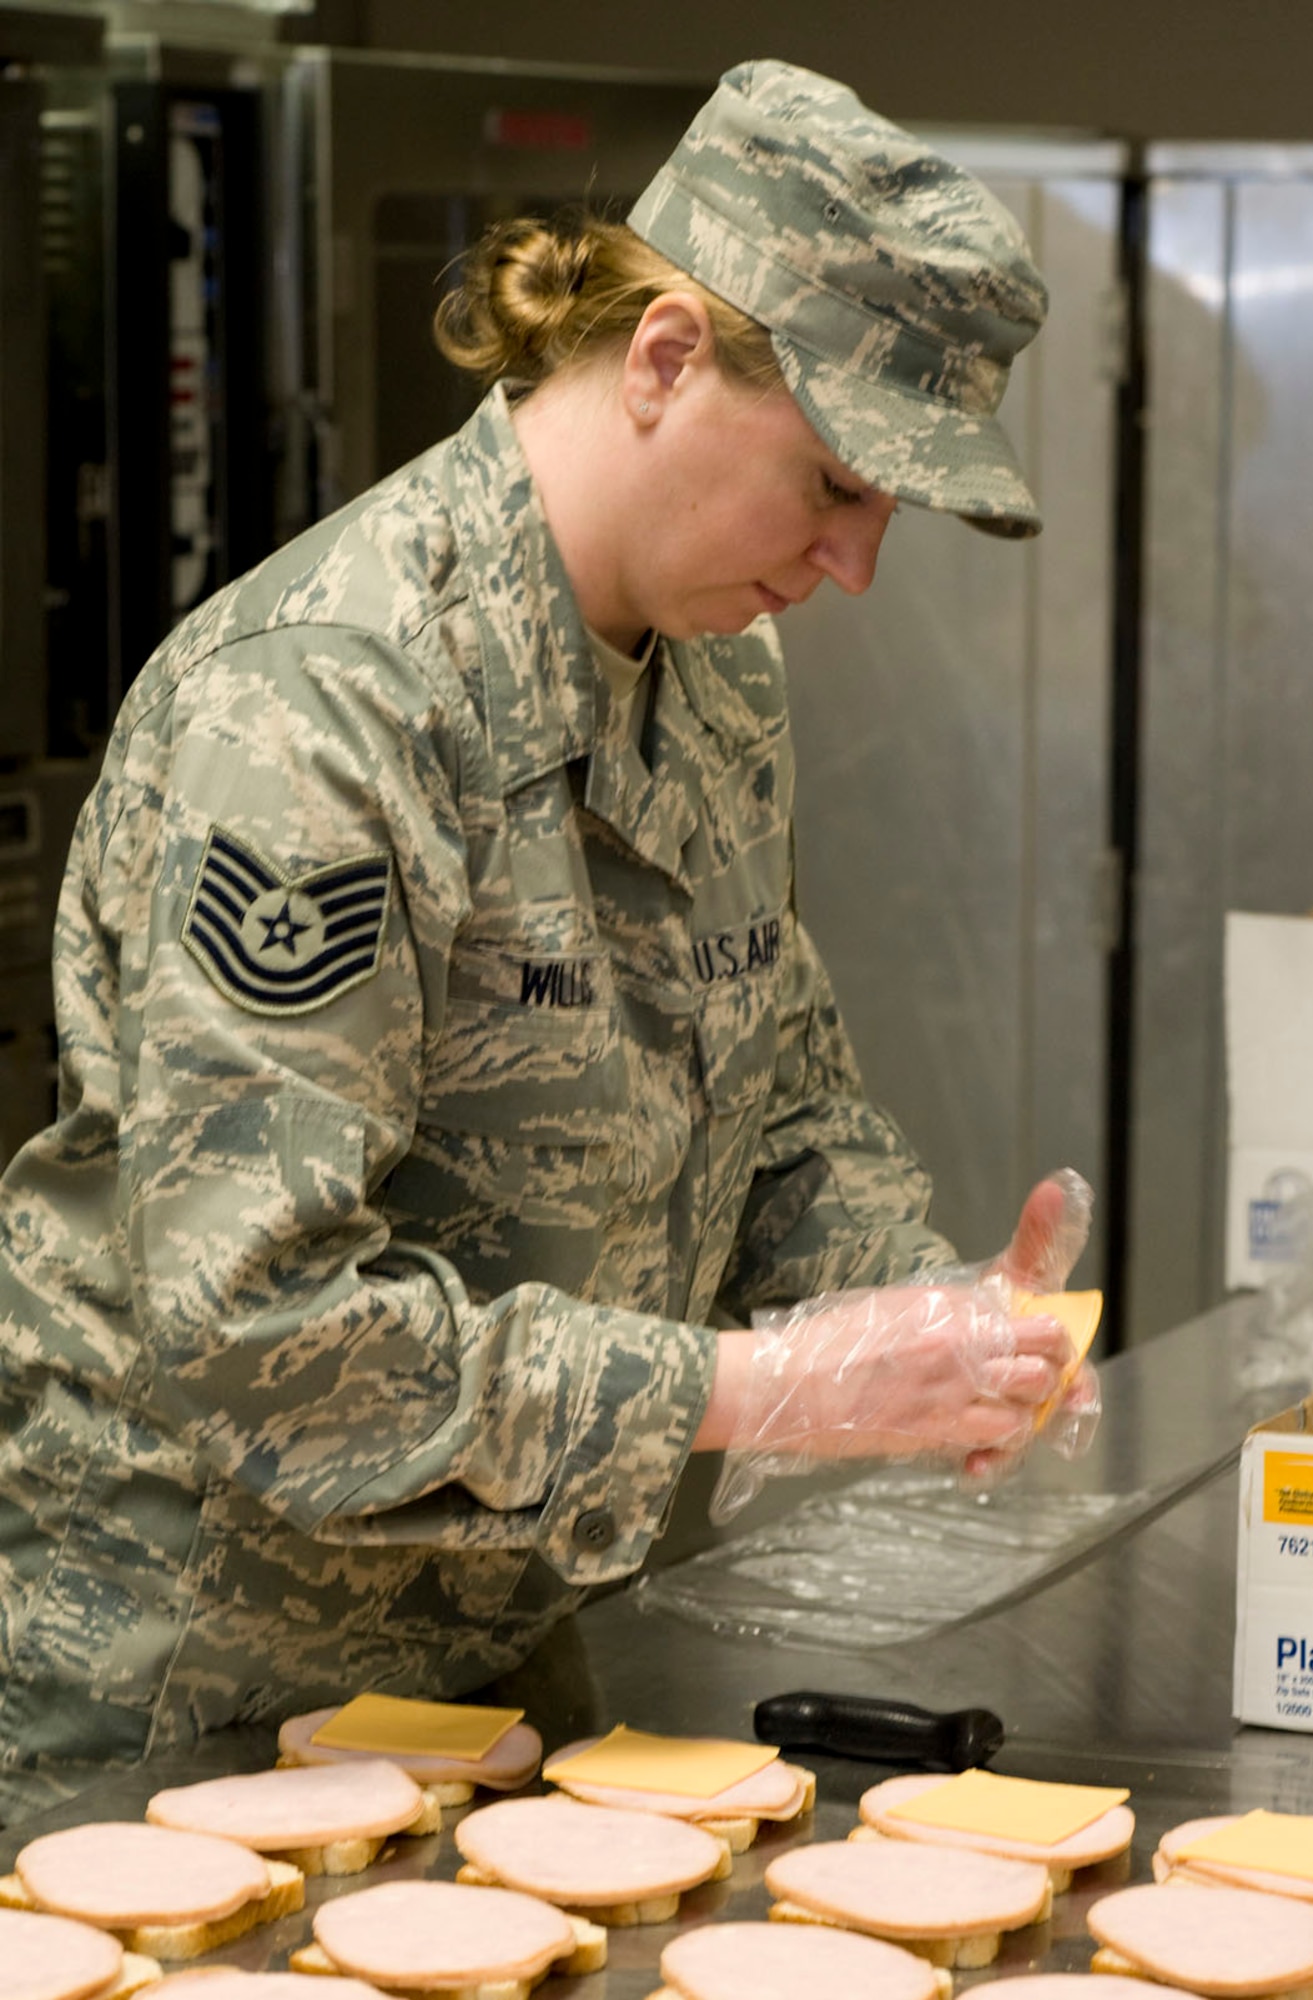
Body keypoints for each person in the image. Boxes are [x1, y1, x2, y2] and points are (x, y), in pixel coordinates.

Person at [0, 58, 1096, 1822]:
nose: (856, 564)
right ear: (662, 357)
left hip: (501, 1647)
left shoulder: (719, 676)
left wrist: (920, 1309)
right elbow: (258, 1334)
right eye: (831, 481)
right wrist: (761, 1389)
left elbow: (776, 1088)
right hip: (193, 1687)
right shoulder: (324, 709)